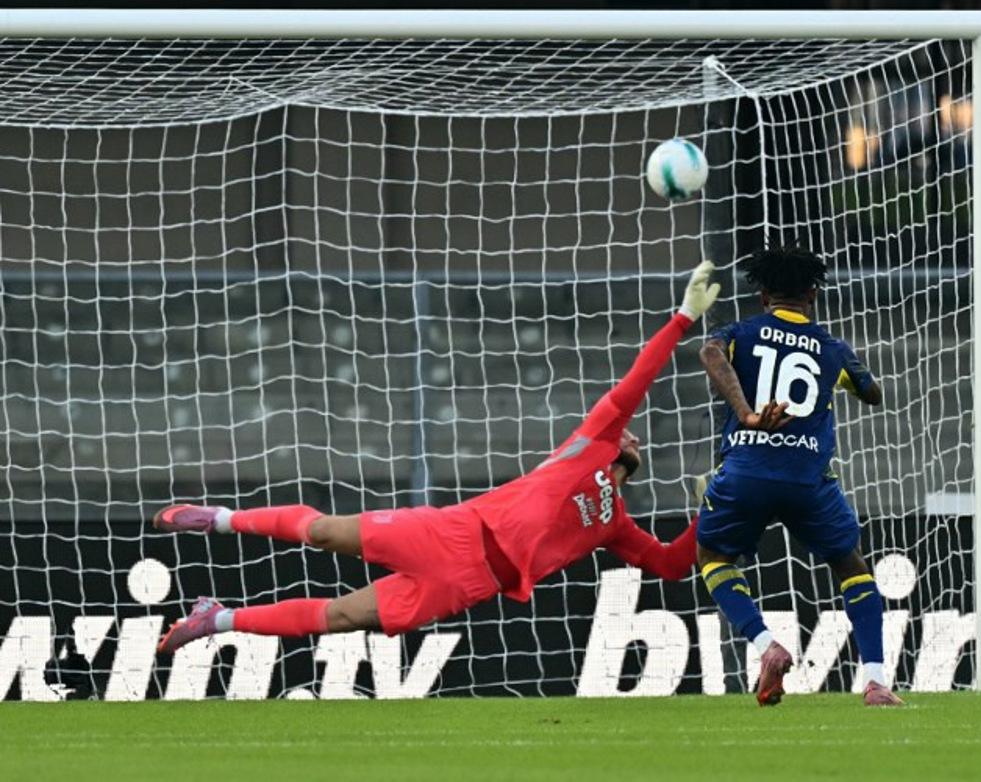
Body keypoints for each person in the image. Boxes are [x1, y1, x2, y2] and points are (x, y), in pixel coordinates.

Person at [154, 261, 721, 654]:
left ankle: (214, 619)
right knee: (325, 532)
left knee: (342, 618)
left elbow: (671, 564)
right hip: (454, 533)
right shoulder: (589, 446)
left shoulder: (612, 524)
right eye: (630, 435)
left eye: (635, 441)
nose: (633, 437)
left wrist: (714, 510)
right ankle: (222, 519)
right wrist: (683, 318)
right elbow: (633, 385)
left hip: (469, 584)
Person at [696, 246, 903, 707]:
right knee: (850, 565)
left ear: (764, 295)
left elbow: (709, 351)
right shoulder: (832, 349)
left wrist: (748, 415)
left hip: (746, 469)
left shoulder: (740, 332)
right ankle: (875, 681)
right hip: (807, 478)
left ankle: (766, 644)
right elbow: (873, 393)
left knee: (712, 556)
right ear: (812, 294)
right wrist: (843, 368)